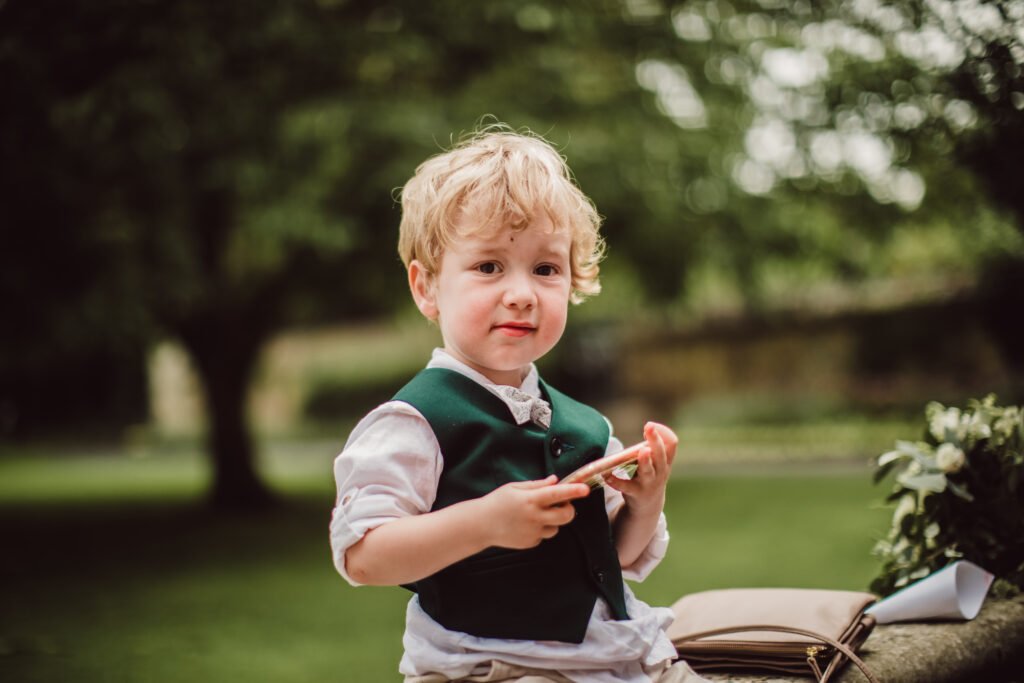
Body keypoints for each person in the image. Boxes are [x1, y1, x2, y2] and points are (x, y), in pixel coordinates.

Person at [329, 124, 706, 683]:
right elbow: (363, 555)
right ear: (426, 287)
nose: (522, 293)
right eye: (488, 267)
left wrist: (645, 503)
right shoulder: (413, 422)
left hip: (615, 657)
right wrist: (483, 522)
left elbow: (615, 560)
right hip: (492, 668)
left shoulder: (589, 427)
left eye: (546, 269)